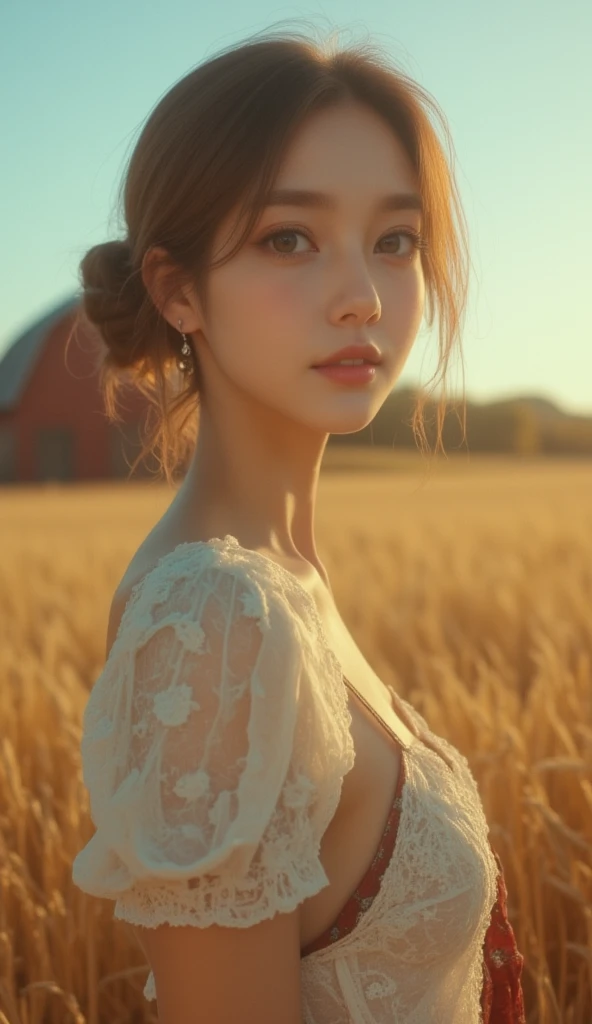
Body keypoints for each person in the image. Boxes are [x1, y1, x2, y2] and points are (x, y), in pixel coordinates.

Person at [71, 21, 526, 1023]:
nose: (362, 296)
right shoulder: (214, 619)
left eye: (394, 241)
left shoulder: (282, 581)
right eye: (290, 238)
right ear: (177, 289)